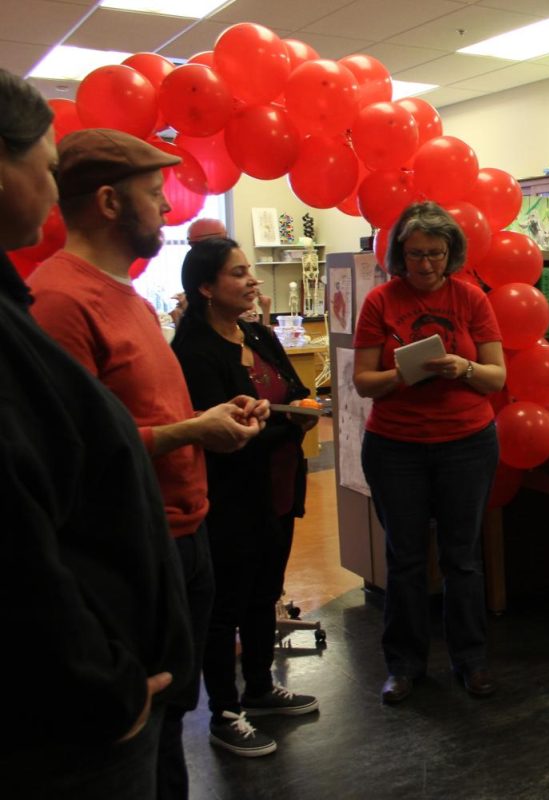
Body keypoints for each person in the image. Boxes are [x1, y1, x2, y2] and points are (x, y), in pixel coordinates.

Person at [27, 127, 267, 795]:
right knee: (143, 732)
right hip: (130, 547)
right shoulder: (59, 302)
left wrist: (217, 421)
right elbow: (68, 452)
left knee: (170, 723)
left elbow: (145, 414)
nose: (168, 209)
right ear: (108, 201)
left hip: (183, 539)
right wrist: (192, 429)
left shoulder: (125, 295)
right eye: (155, 194)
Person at [0, 67, 192, 799]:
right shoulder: (50, 302)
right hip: (79, 714)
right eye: (43, 169)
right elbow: (20, 532)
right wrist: (106, 684)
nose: (52, 192)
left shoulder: (126, 296)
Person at [352, 202, 507, 704]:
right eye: (415, 254)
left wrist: (461, 367)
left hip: (466, 443)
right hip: (396, 448)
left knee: (462, 560)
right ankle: (404, 666)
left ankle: (471, 660)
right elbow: (363, 383)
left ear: (451, 253)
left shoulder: (472, 300)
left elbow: (496, 376)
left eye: (435, 254)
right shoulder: (379, 301)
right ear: (400, 253)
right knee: (405, 561)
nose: (425, 265)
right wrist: (404, 375)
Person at [172, 237, 320, 756]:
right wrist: (289, 420)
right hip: (233, 495)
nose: (253, 281)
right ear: (207, 288)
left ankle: (258, 688)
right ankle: (224, 711)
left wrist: (287, 417)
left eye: (250, 271)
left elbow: (295, 391)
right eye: (239, 273)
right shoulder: (192, 352)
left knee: (265, 591)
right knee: (226, 603)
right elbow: (228, 432)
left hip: (279, 486)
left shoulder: (258, 334)